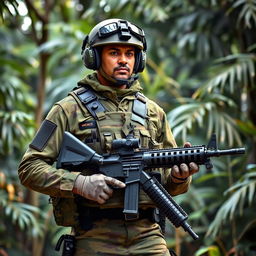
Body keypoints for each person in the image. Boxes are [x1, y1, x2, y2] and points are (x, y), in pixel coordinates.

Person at [18, 18, 199, 256]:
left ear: (139, 60)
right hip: (94, 237)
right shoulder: (68, 110)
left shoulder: (154, 113)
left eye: (131, 54)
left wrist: (179, 178)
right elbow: (29, 168)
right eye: (114, 52)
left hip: (149, 236)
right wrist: (79, 184)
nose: (124, 60)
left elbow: (169, 186)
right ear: (94, 57)